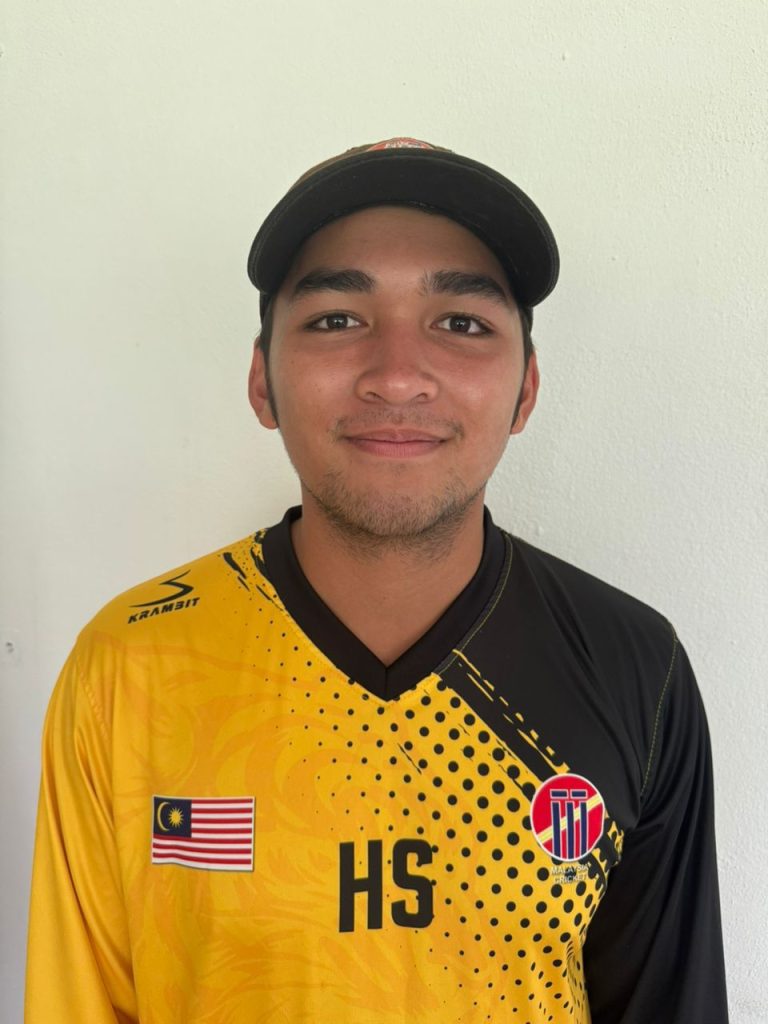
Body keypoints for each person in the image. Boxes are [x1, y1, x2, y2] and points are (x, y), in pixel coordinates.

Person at [25, 137, 728, 1023]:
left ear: (525, 390)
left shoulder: (634, 668)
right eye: (337, 320)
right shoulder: (130, 666)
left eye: (461, 323)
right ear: (262, 382)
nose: (397, 377)